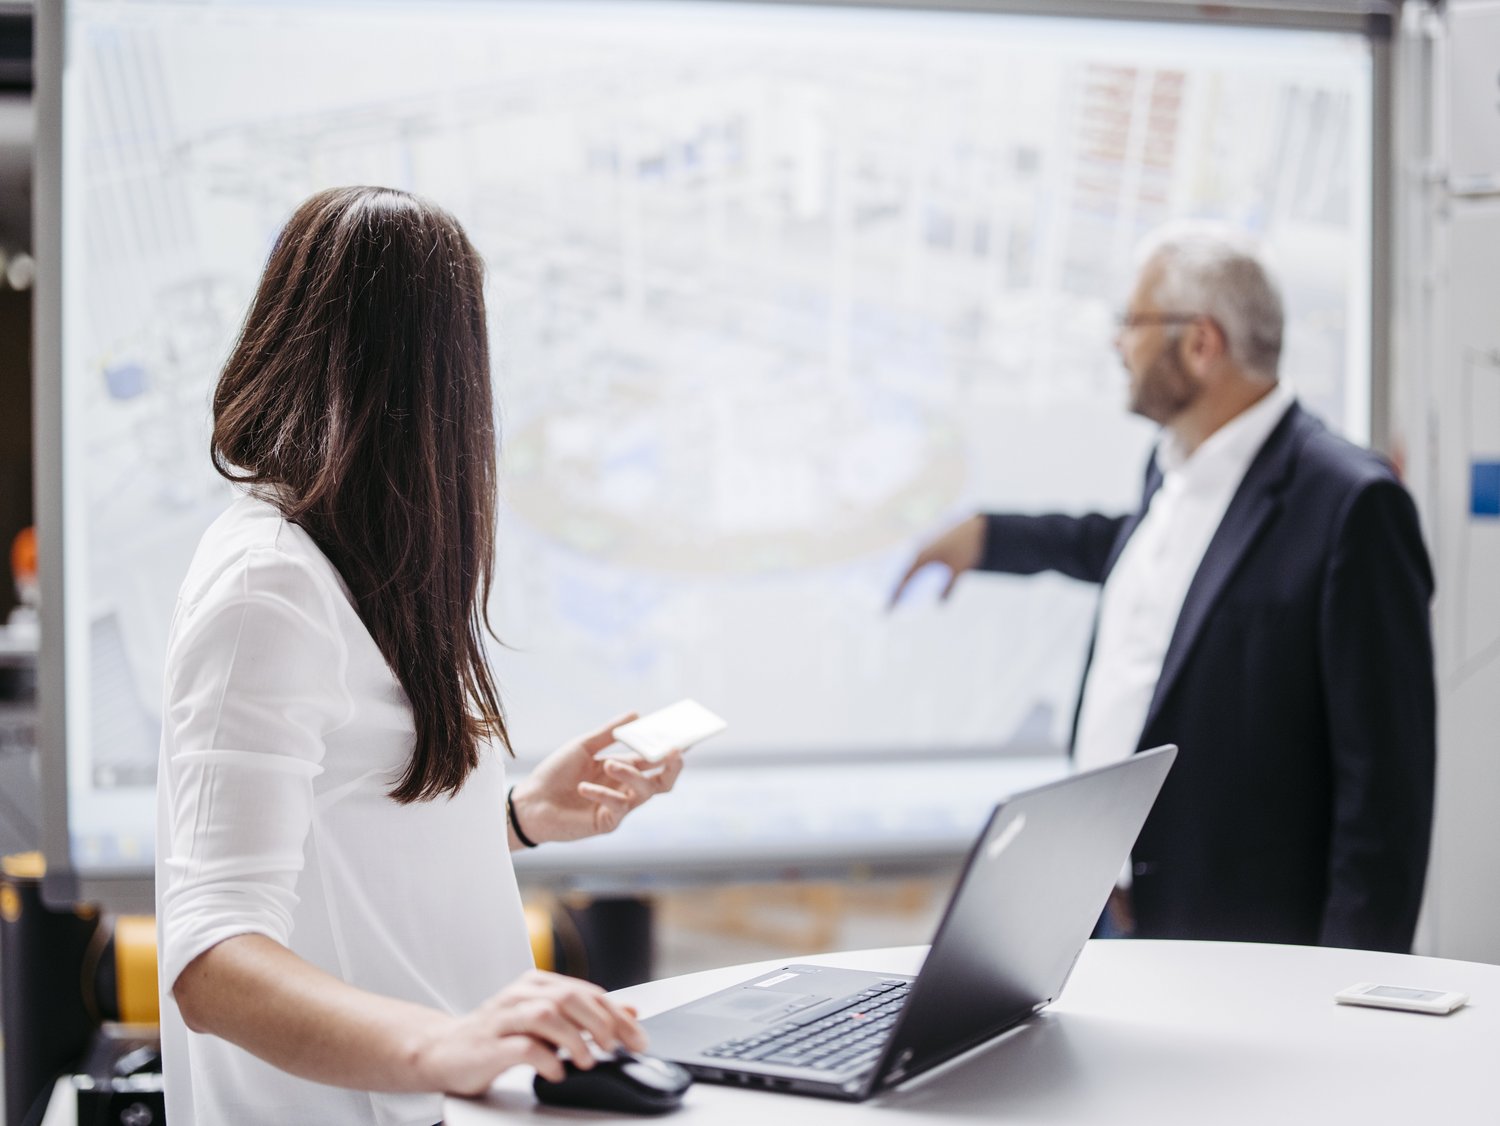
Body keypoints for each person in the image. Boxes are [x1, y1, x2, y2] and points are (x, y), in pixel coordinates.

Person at [155, 186, 686, 1125]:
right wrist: (443, 1046)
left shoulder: (357, 559)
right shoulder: (266, 587)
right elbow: (212, 961)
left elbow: (348, 841)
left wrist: (517, 818)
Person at [891, 223, 1435, 953]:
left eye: (1133, 324)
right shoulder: (1173, 467)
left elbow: (1387, 795)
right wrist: (989, 537)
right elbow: (1139, 561)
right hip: (1103, 905)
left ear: (1201, 343)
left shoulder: (1350, 504)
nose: (1120, 344)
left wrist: (1351, 993)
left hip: (1243, 943)